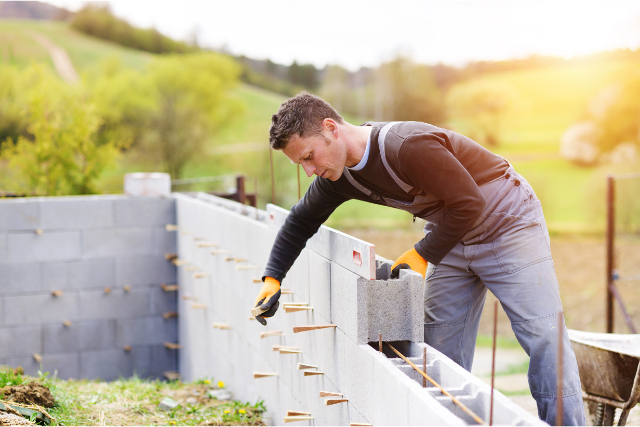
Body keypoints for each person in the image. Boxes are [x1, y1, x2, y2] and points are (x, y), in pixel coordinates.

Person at [252, 92, 585, 425]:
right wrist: (273, 278)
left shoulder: (405, 146)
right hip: (452, 232)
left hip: (506, 220)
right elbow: (300, 221)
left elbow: (470, 202)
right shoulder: (338, 176)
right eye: (301, 164)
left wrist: (423, 254)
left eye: (309, 156)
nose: (309, 171)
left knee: (544, 337)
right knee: (438, 352)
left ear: (331, 128)